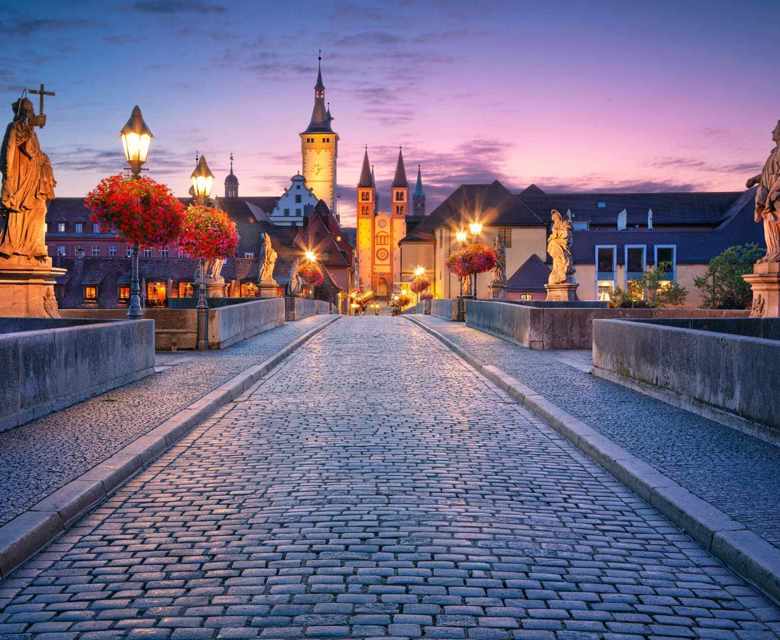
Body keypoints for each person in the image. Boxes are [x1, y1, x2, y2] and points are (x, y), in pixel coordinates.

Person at [0, 96, 56, 259]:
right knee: (19, 210)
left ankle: (34, 246)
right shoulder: (15, 127)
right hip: (21, 178)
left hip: (35, 178)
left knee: (40, 209)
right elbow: (8, 151)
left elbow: (36, 152)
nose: (31, 114)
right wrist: (8, 177)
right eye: (28, 110)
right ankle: (12, 245)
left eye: (31, 111)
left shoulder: (31, 132)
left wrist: (44, 159)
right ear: (21, 112)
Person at [746, 120, 780, 263]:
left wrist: (773, 192)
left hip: (776, 196)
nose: (772, 131)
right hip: (769, 197)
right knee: (770, 226)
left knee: (777, 222)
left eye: (775, 129)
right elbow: (768, 175)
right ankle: (773, 253)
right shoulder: (774, 153)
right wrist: (755, 179)